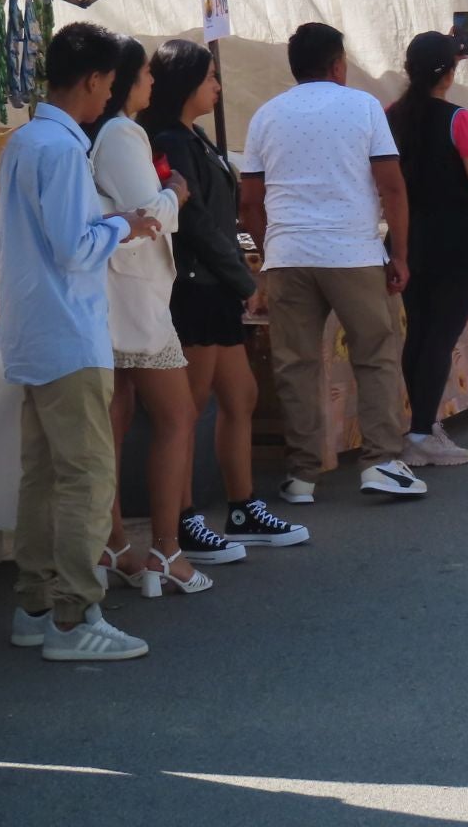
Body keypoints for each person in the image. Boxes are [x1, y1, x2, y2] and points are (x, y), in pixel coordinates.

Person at [0, 22, 161, 663]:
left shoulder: (25, 141)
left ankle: (37, 605)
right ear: (93, 81)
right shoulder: (62, 149)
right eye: (110, 85)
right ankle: (72, 616)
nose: (109, 97)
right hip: (68, 329)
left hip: (35, 327)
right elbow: (75, 246)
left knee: (45, 476)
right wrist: (125, 222)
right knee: (87, 477)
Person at [240, 22, 425, 502]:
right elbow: (393, 185)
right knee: (376, 354)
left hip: (288, 256)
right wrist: (399, 253)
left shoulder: (265, 115)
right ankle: (381, 461)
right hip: (353, 251)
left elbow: (250, 200)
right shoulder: (362, 107)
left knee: (295, 365)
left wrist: (271, 247)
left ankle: (302, 474)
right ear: (338, 63)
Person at [144, 40, 308, 557]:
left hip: (214, 285)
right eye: (210, 77)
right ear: (187, 83)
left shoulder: (194, 138)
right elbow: (193, 223)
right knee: (186, 412)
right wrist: (245, 280)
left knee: (240, 396)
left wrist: (236, 276)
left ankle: (241, 506)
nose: (218, 87)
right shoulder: (171, 139)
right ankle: (184, 517)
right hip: (194, 287)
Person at [88, 39, 210, 597]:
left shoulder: (106, 134)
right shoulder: (119, 134)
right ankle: (165, 549)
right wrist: (175, 193)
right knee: (176, 415)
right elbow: (148, 214)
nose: (152, 84)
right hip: (132, 297)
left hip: (118, 293)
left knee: (120, 417)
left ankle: (115, 543)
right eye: (143, 75)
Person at [387, 31, 468, 469]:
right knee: (440, 334)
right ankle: (421, 432)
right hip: (456, 237)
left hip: (406, 237)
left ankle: (419, 425)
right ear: (450, 72)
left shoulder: (388, 117)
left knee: (418, 330)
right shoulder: (460, 120)